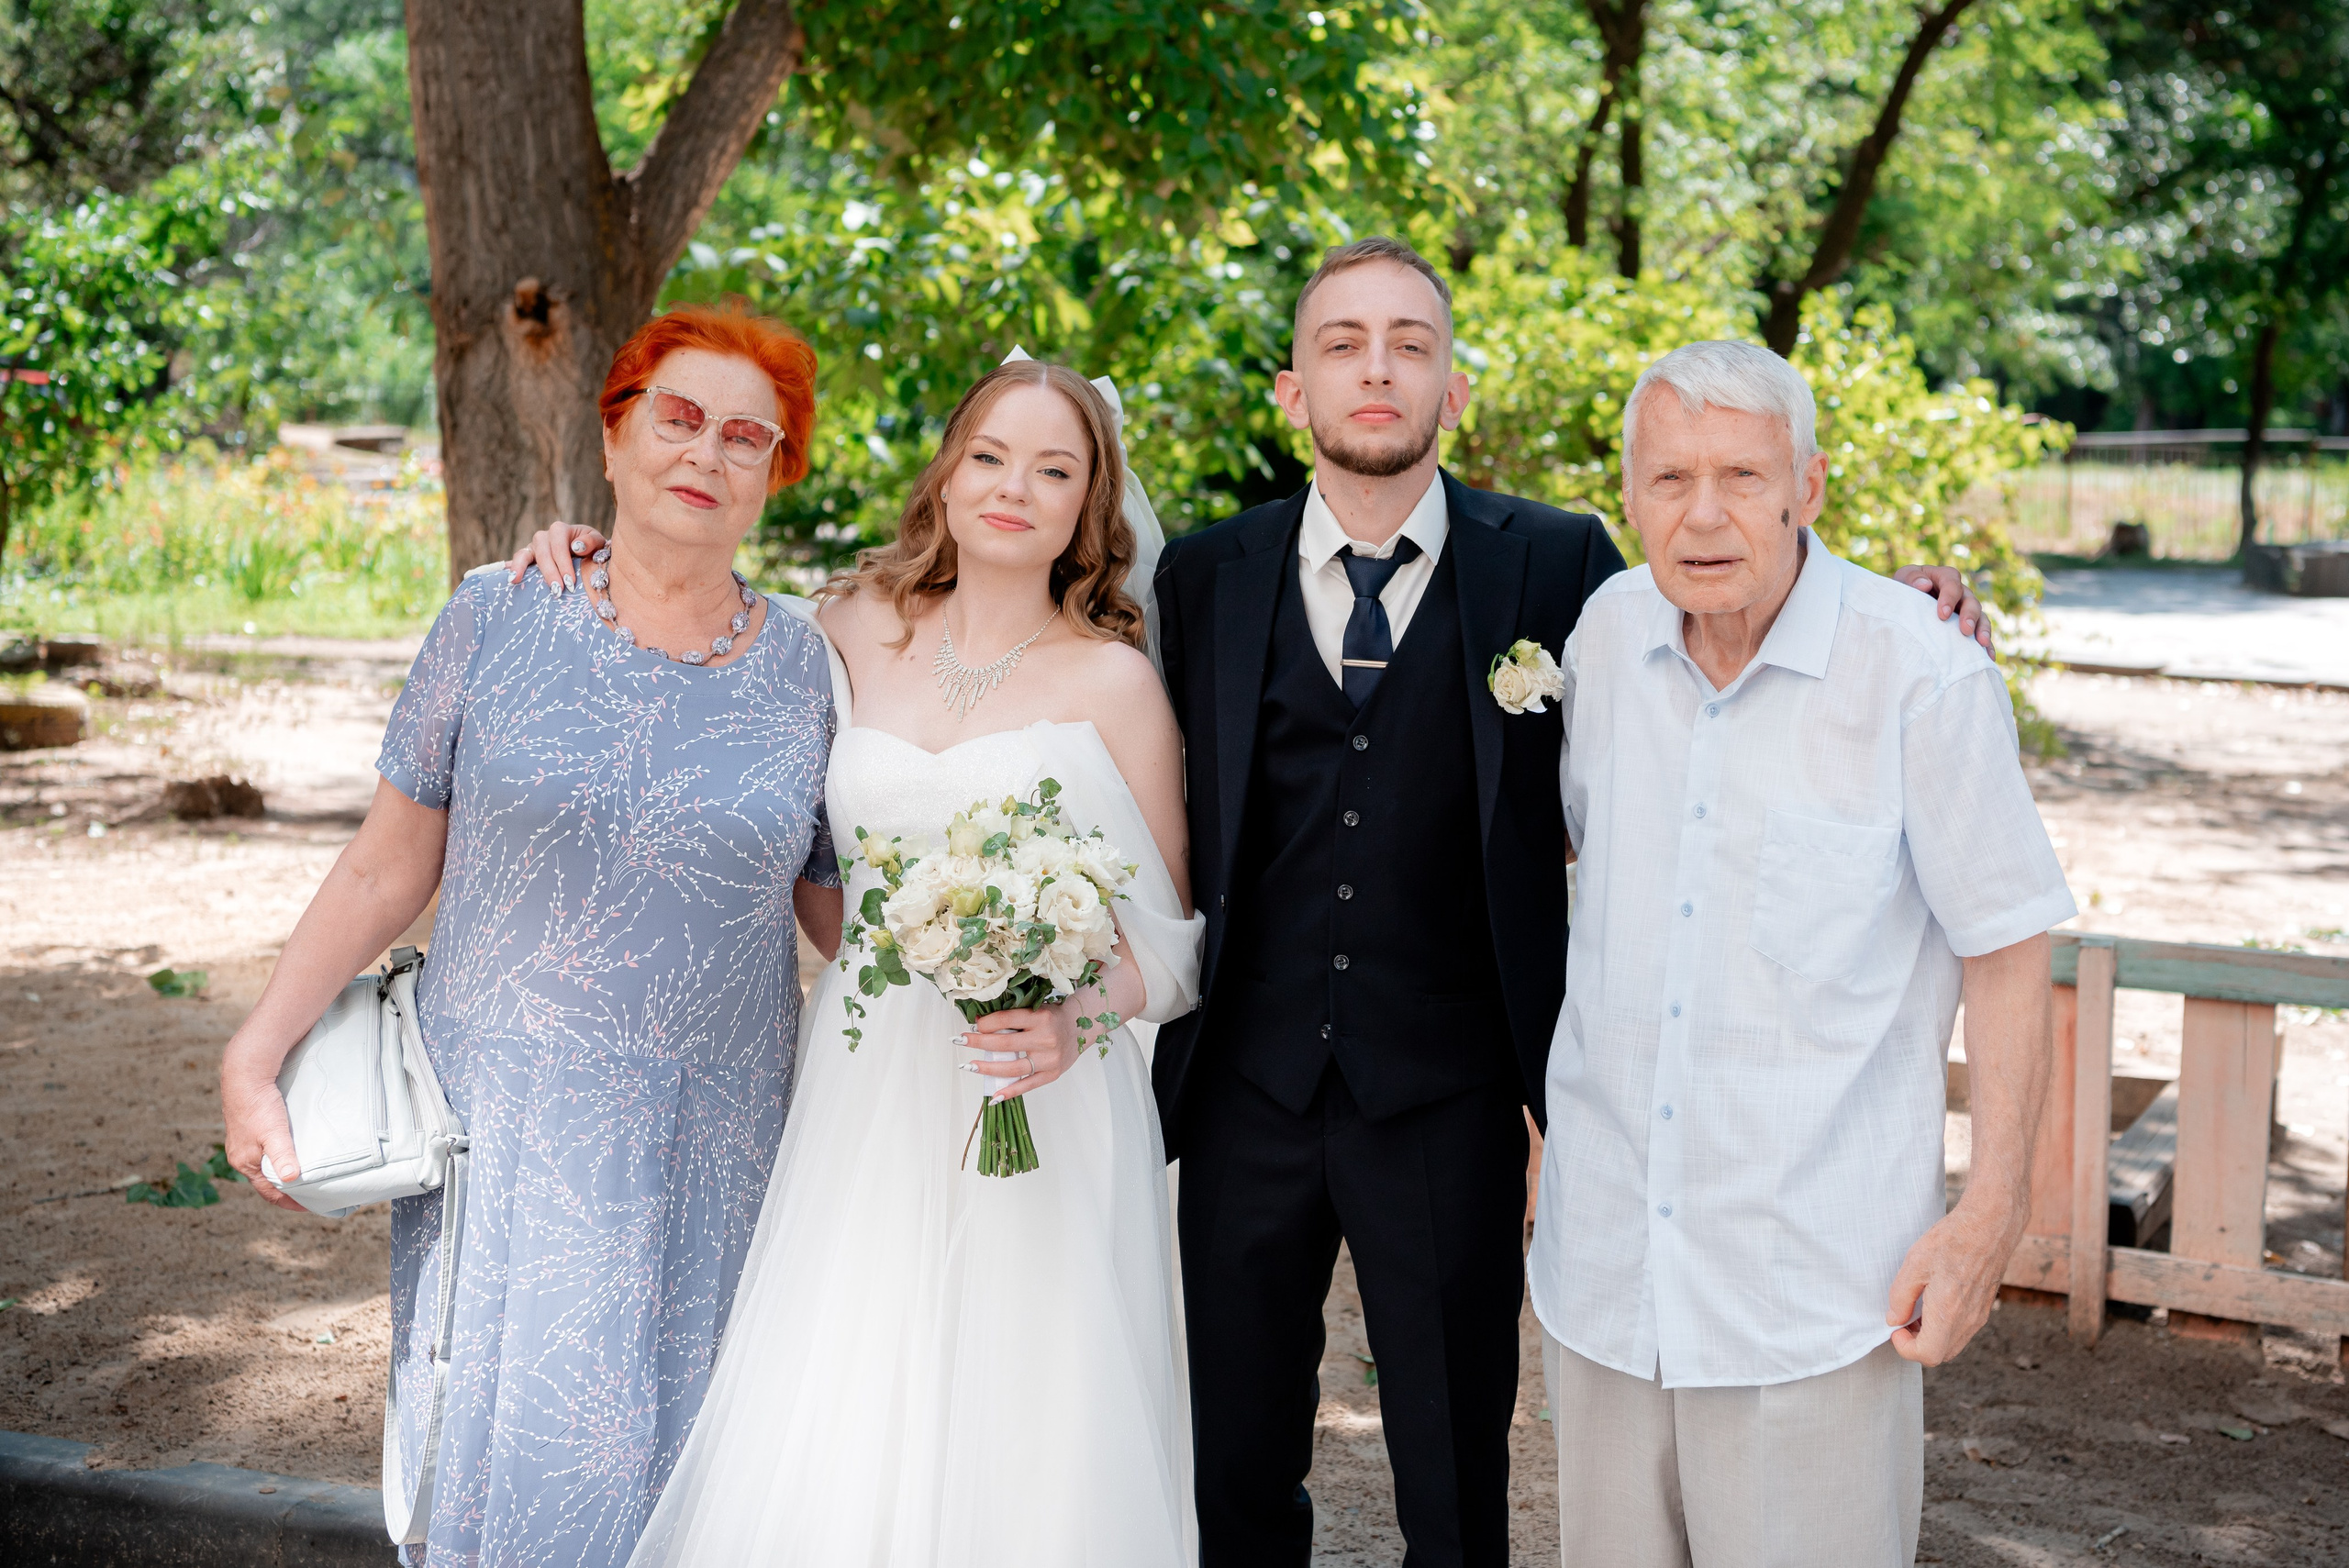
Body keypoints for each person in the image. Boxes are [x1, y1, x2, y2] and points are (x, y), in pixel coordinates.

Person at [1150, 238, 1992, 1568]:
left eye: (1412, 343)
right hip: (1244, 1088)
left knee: (1453, 1474)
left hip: (1454, 1094)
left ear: (1457, 386)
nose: (1379, 368)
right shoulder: (1202, 575)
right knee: (1231, 1463)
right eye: (1342, 343)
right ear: (1290, 390)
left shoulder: (1554, 564)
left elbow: (1724, 577)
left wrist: (1907, 596)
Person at [516, 358, 1207, 1565]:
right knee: (849, 1383)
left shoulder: (1118, 686)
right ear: (946, 473)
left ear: (1090, 506)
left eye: (1055, 469)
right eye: (990, 455)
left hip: (1037, 1095)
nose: (1014, 488)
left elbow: (1179, 944)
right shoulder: (837, 630)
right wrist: (582, 549)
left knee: (1025, 1414)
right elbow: (690, 628)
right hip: (867, 1075)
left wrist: (1077, 1016)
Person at [218, 304, 840, 1568]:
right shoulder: (497, 614)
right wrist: (255, 1052)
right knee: (511, 1470)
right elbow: (387, 865)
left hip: (716, 1154)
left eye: (744, 437)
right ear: (611, 440)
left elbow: (843, 916)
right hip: (503, 1136)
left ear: (775, 476)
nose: (705, 454)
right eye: (676, 418)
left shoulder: (811, 672)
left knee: (696, 1475)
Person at [1529, 339, 2075, 1565]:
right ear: (1629, 495)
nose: (1705, 513)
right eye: (1669, 479)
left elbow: (2006, 945)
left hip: (1816, 1294)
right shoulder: (1607, 636)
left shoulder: (1921, 674)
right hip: (1607, 1275)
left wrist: (1990, 1214)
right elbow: (1559, 858)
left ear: (1810, 487)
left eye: (1742, 474)